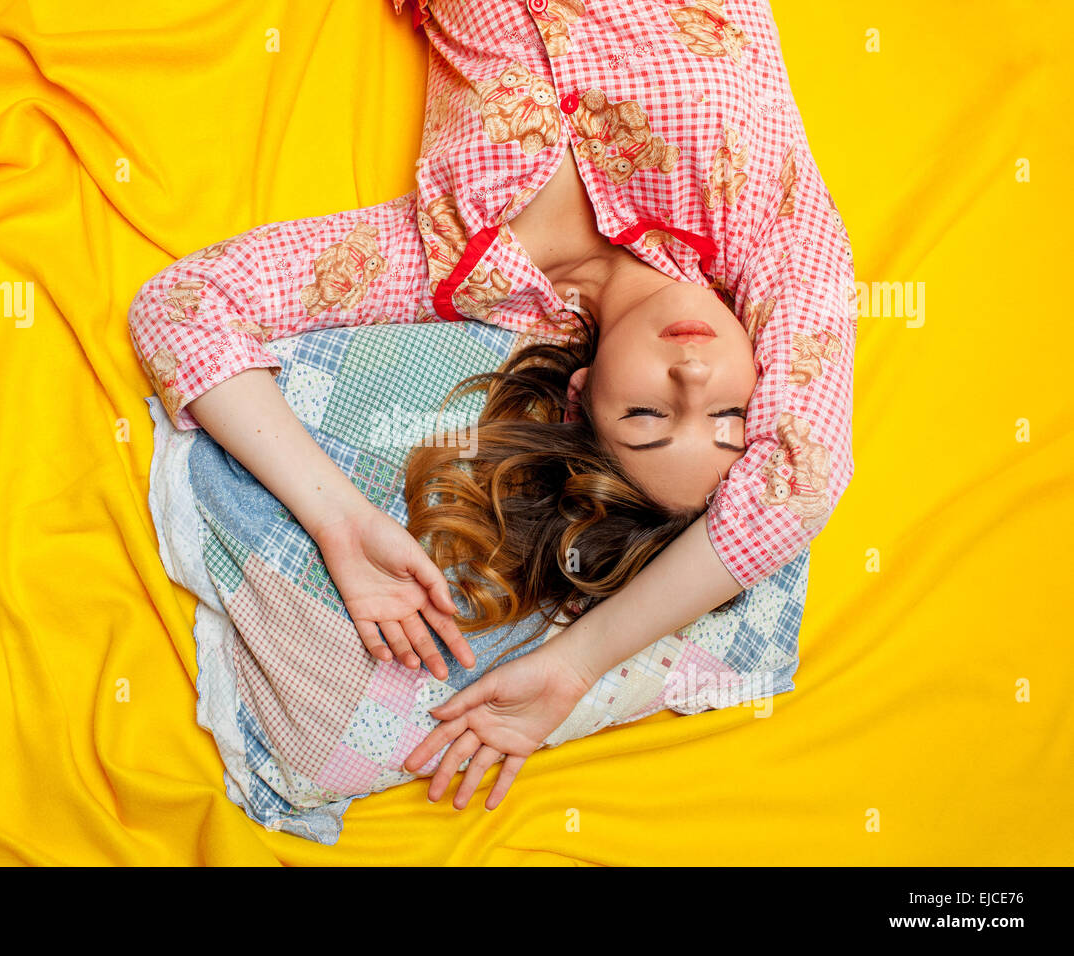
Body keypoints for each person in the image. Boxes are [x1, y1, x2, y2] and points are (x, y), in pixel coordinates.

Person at [127, 0, 855, 811]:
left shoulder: (459, 262)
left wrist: (339, 519)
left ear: (582, 396)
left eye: (647, 420)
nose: (691, 380)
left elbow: (185, 306)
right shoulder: (779, 233)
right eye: (729, 419)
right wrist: (582, 662)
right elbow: (800, 482)